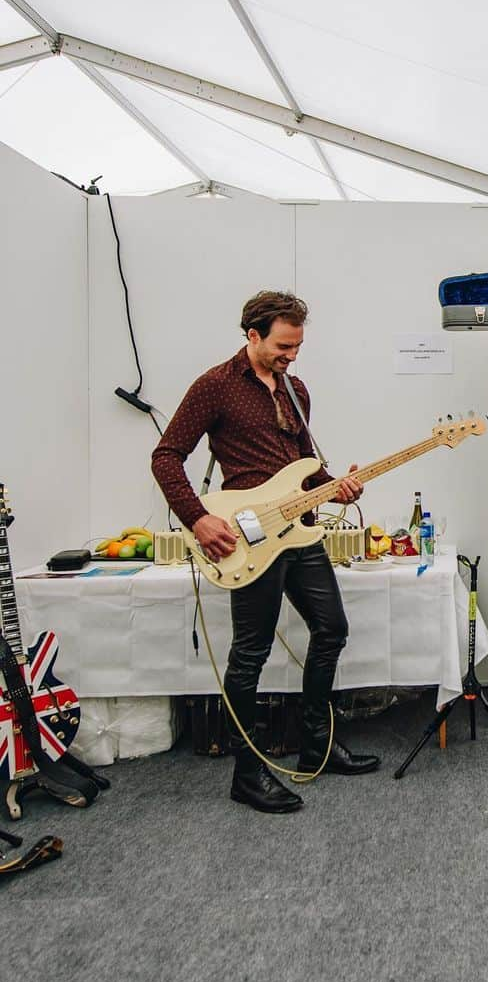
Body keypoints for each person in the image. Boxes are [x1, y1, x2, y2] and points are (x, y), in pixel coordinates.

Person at [152, 291, 379, 814]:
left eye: (298, 346)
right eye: (282, 345)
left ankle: (317, 745)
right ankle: (247, 773)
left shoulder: (297, 389)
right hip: (246, 536)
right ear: (252, 335)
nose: (292, 355)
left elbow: (300, 462)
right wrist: (199, 518)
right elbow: (166, 457)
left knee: (332, 628)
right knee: (250, 654)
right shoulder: (214, 386)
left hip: (299, 531)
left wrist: (335, 485)